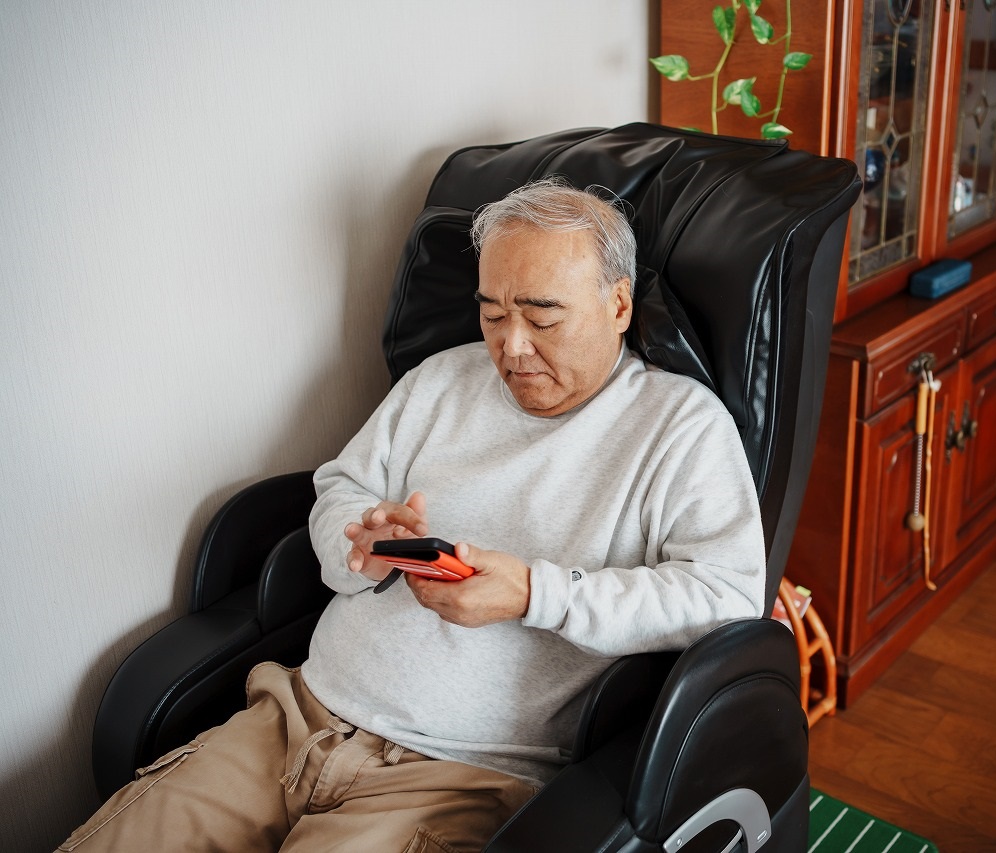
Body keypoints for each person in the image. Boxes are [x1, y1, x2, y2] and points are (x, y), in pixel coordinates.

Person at [60, 177, 766, 852]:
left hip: (456, 774)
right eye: (492, 313)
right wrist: (360, 540)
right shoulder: (441, 380)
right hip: (291, 716)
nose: (511, 347)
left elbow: (726, 595)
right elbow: (341, 486)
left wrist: (533, 592)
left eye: (542, 315)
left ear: (617, 304)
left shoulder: (680, 427)